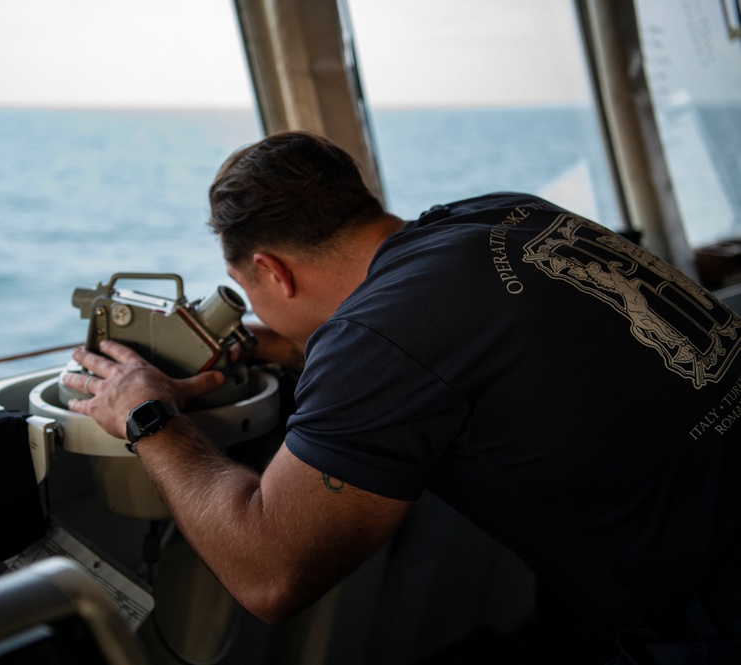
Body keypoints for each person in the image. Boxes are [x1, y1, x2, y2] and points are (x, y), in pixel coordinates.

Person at [64, 131, 741, 663]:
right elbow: (435, 337)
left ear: (270, 270)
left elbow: (269, 573)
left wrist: (145, 413)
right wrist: (276, 345)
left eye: (251, 294)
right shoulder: (502, 213)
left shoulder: (376, 336)